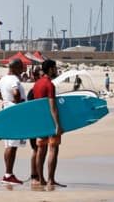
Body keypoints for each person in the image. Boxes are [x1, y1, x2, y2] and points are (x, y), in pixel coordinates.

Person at [0, 59, 26, 185]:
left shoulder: (3, 79)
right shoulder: (14, 80)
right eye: (21, 67)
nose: (23, 70)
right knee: (13, 145)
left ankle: (8, 174)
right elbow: (16, 92)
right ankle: (8, 175)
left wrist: (5, 101)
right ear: (16, 68)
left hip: (7, 112)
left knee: (8, 145)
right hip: (15, 114)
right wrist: (17, 103)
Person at [32, 59, 65, 187]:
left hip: (40, 121)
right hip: (50, 121)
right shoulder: (49, 84)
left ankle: (41, 179)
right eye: (55, 68)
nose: (56, 70)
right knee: (53, 149)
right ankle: (51, 180)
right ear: (50, 69)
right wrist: (57, 125)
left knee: (41, 149)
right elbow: (53, 106)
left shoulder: (37, 84)